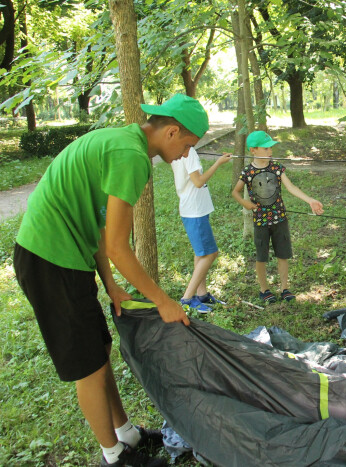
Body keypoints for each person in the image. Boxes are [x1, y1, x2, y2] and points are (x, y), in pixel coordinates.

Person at [13, 93, 207, 466]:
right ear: (171, 132)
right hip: (49, 259)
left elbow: (100, 228)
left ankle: (126, 434)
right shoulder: (131, 156)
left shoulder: (122, 141)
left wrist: (113, 285)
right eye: (187, 145)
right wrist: (164, 301)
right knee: (87, 366)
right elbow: (120, 248)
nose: (185, 155)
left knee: (99, 352)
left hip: (69, 256)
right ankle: (114, 456)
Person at [232, 131, 324, 304]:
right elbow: (235, 191)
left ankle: (284, 288)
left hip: (280, 219)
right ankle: (264, 289)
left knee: (283, 254)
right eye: (265, 148)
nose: (270, 151)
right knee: (262, 256)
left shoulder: (276, 167)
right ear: (253, 150)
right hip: (260, 222)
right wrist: (244, 203)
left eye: (270, 148)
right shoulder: (248, 172)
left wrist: (309, 200)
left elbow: (291, 187)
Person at [172, 147, 233, 313]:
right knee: (211, 253)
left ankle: (202, 294)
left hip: (196, 208)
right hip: (194, 210)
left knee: (201, 253)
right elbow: (198, 182)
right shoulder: (188, 151)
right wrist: (218, 163)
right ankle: (187, 298)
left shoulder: (181, 149)